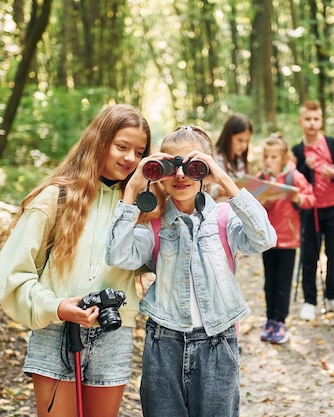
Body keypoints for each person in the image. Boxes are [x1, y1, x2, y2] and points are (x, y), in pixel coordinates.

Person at [105, 125, 277, 417]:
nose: (181, 174)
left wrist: (223, 178)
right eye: (172, 165)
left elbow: (265, 238)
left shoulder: (224, 218)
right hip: (163, 345)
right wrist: (134, 188)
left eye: (192, 165)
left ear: (205, 171)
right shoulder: (155, 226)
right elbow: (118, 254)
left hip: (218, 344)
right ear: (159, 173)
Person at [0, 104, 151, 417]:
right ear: (99, 141)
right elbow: (12, 273)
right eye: (122, 147)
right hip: (55, 328)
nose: (130, 158)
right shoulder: (55, 197)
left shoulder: (142, 207)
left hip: (114, 331)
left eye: (139, 152)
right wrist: (56, 307)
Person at [291, 100, 334, 321]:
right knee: (310, 254)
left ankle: (333, 296)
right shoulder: (297, 151)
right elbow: (291, 178)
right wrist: (303, 167)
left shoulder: (333, 144)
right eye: (307, 119)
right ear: (300, 122)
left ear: (321, 120)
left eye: (316, 119)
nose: (312, 123)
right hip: (310, 209)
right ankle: (310, 300)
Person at [257, 134, 316, 344]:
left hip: (287, 239)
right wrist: (263, 201)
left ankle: (281, 322)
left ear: (283, 157)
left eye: (274, 157)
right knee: (269, 283)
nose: (269, 161)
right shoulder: (261, 178)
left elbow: (310, 198)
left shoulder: (294, 176)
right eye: (267, 157)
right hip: (267, 239)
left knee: (282, 283)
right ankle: (270, 319)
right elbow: (252, 203)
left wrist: (297, 197)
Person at [212, 113, 253, 199]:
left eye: (247, 141)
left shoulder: (241, 161)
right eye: (240, 140)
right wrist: (220, 190)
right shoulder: (214, 159)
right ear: (228, 137)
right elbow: (207, 189)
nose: (244, 146)